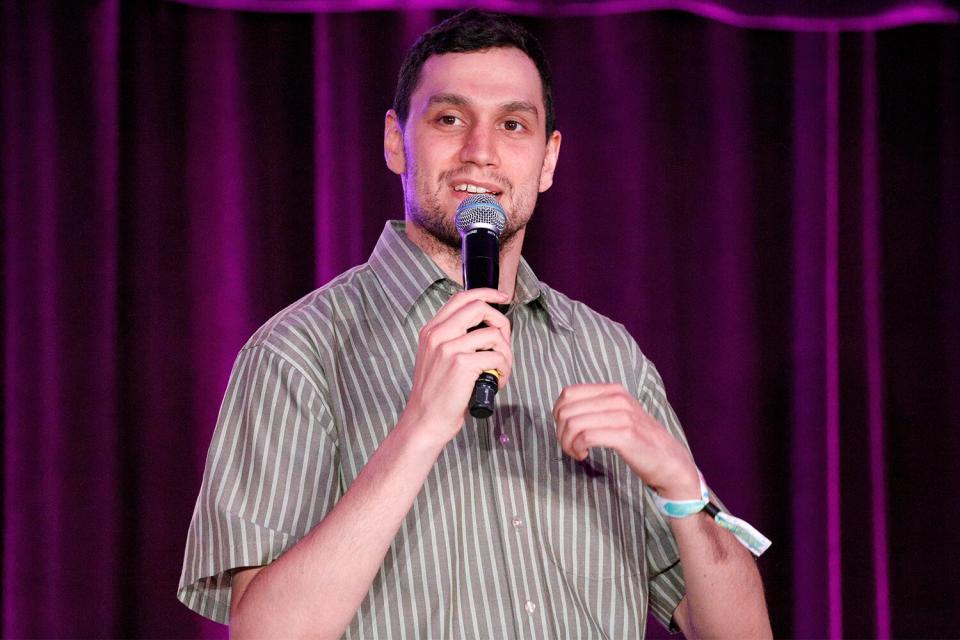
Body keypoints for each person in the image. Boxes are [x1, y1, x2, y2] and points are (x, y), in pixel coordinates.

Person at [178, 9, 771, 638]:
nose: (480, 151)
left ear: (548, 159)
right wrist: (418, 430)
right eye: (450, 118)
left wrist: (683, 487)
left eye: (512, 125)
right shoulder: (298, 351)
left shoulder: (606, 352)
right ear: (394, 140)